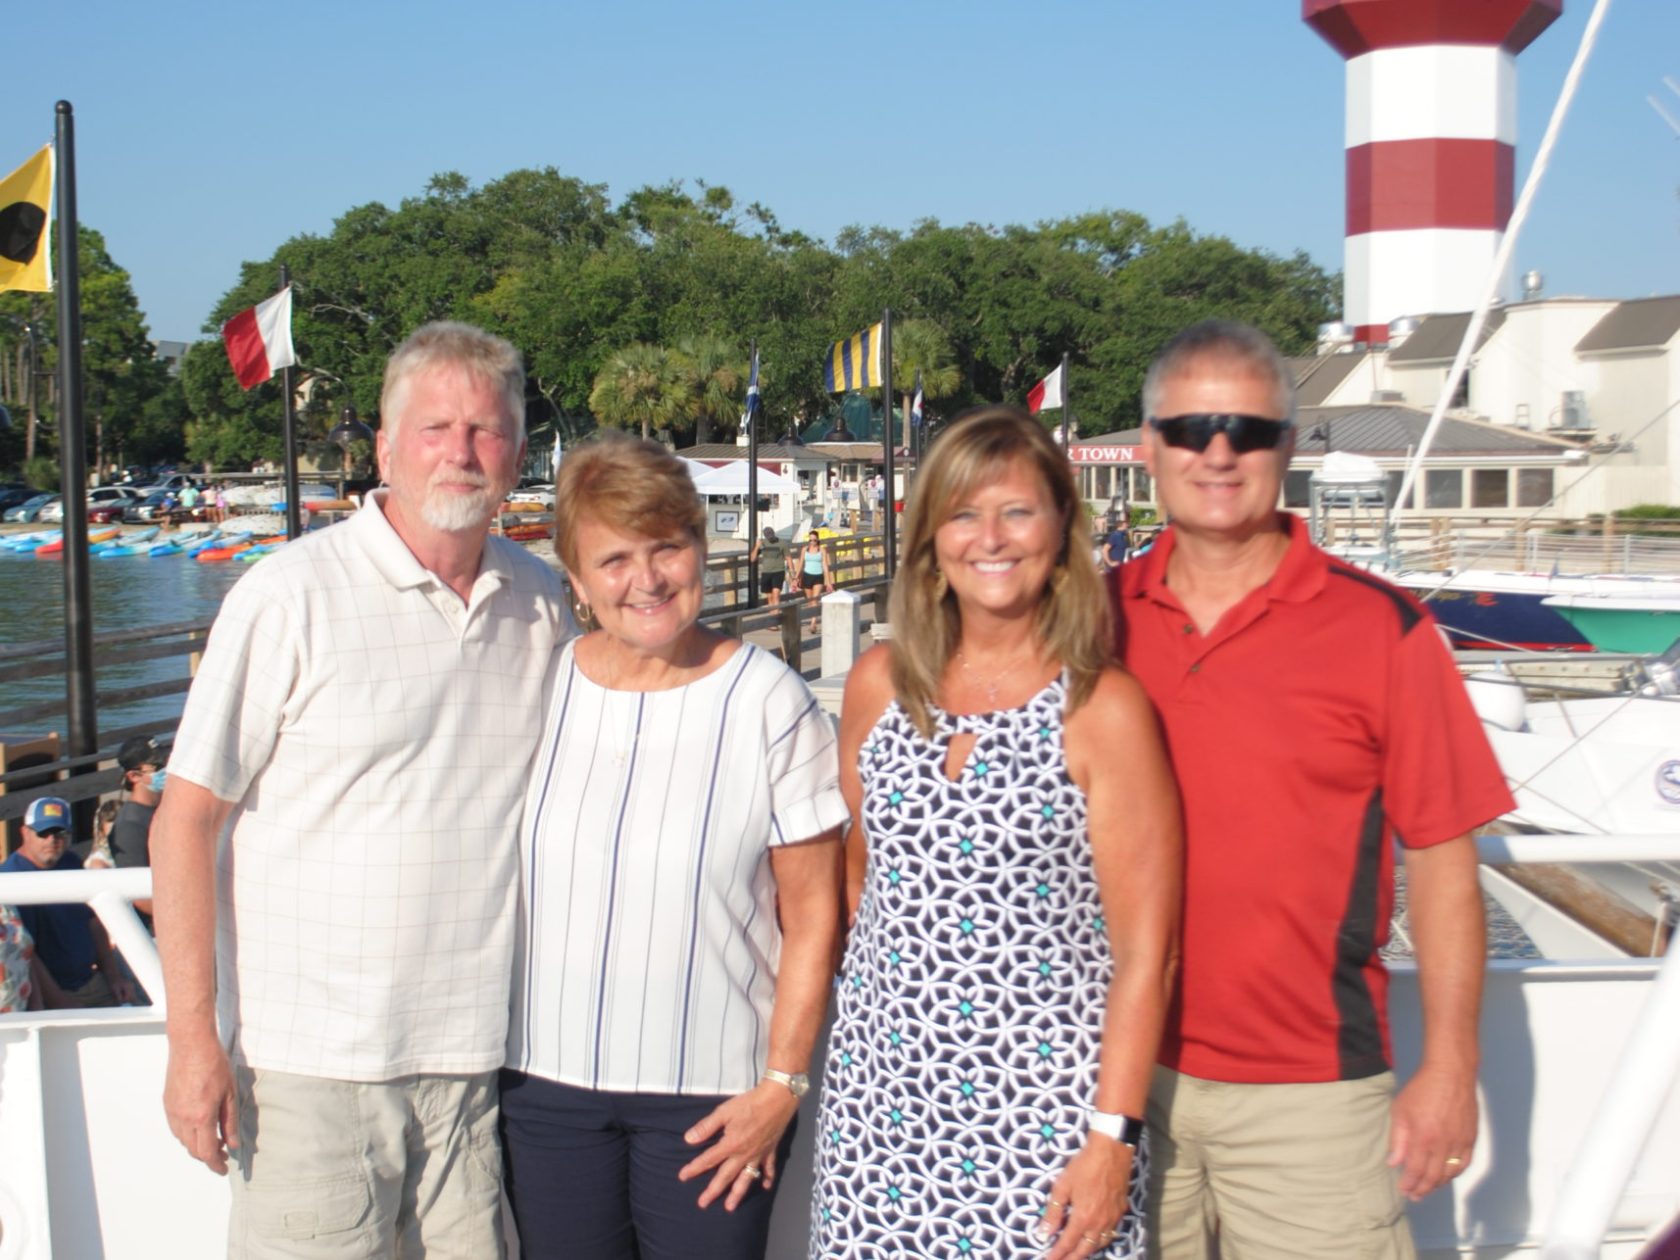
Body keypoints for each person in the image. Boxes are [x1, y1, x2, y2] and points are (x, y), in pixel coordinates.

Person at [150, 321, 569, 1259]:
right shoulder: (288, 595)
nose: (460, 452)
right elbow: (183, 823)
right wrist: (192, 1045)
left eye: (486, 430)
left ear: (514, 453)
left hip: (475, 1065)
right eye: (435, 428)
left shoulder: (542, 603)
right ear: (384, 446)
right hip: (310, 1069)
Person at [1112, 320, 1515, 1260]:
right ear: (1147, 450)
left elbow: (1447, 865)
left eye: (1249, 430)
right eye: (1190, 429)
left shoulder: (1385, 630)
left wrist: (1451, 1067)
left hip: (1314, 1095)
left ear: (1287, 449)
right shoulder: (1091, 618)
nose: (1219, 452)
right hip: (1116, 1075)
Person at [811, 407, 1182, 1260]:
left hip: (1043, 1127)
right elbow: (864, 884)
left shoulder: (1102, 709)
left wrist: (1111, 1138)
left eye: (1017, 511)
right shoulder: (880, 687)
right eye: (964, 514)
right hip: (880, 1117)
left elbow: (1146, 957)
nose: (991, 537)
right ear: (932, 540)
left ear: (1060, 528)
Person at [503, 435, 847, 1260]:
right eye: (615, 558)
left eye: (667, 547)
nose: (647, 578)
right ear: (578, 584)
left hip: (715, 1102)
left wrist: (782, 1087)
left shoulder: (770, 701)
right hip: (545, 1091)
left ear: (700, 548)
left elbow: (814, 918)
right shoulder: (538, 689)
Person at [1, 797, 134, 1009]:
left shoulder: (71, 862)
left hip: (90, 981)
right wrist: (61, 1003)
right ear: (25, 832)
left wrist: (113, 976)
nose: (52, 840)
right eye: (43, 833)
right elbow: (28, 954)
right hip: (50, 995)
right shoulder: (10, 877)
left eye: (60, 833)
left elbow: (93, 922)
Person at [797, 530, 832, 632]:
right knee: (810, 601)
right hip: (807, 576)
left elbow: (825, 565)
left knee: (815, 600)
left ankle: (813, 624)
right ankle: (815, 614)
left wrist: (828, 581)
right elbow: (800, 564)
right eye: (810, 540)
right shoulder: (805, 549)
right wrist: (796, 577)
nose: (812, 542)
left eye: (814, 540)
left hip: (818, 577)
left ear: (818, 540)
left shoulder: (822, 550)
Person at [751, 524, 790, 606]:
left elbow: (788, 558)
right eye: (768, 535)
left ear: (774, 533)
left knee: (776, 594)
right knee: (769, 596)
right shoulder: (763, 544)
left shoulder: (782, 543)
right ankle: (773, 613)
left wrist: (792, 573)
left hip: (779, 571)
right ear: (765, 536)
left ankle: (776, 613)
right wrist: (757, 547)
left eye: (771, 534)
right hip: (766, 572)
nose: (770, 537)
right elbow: (752, 559)